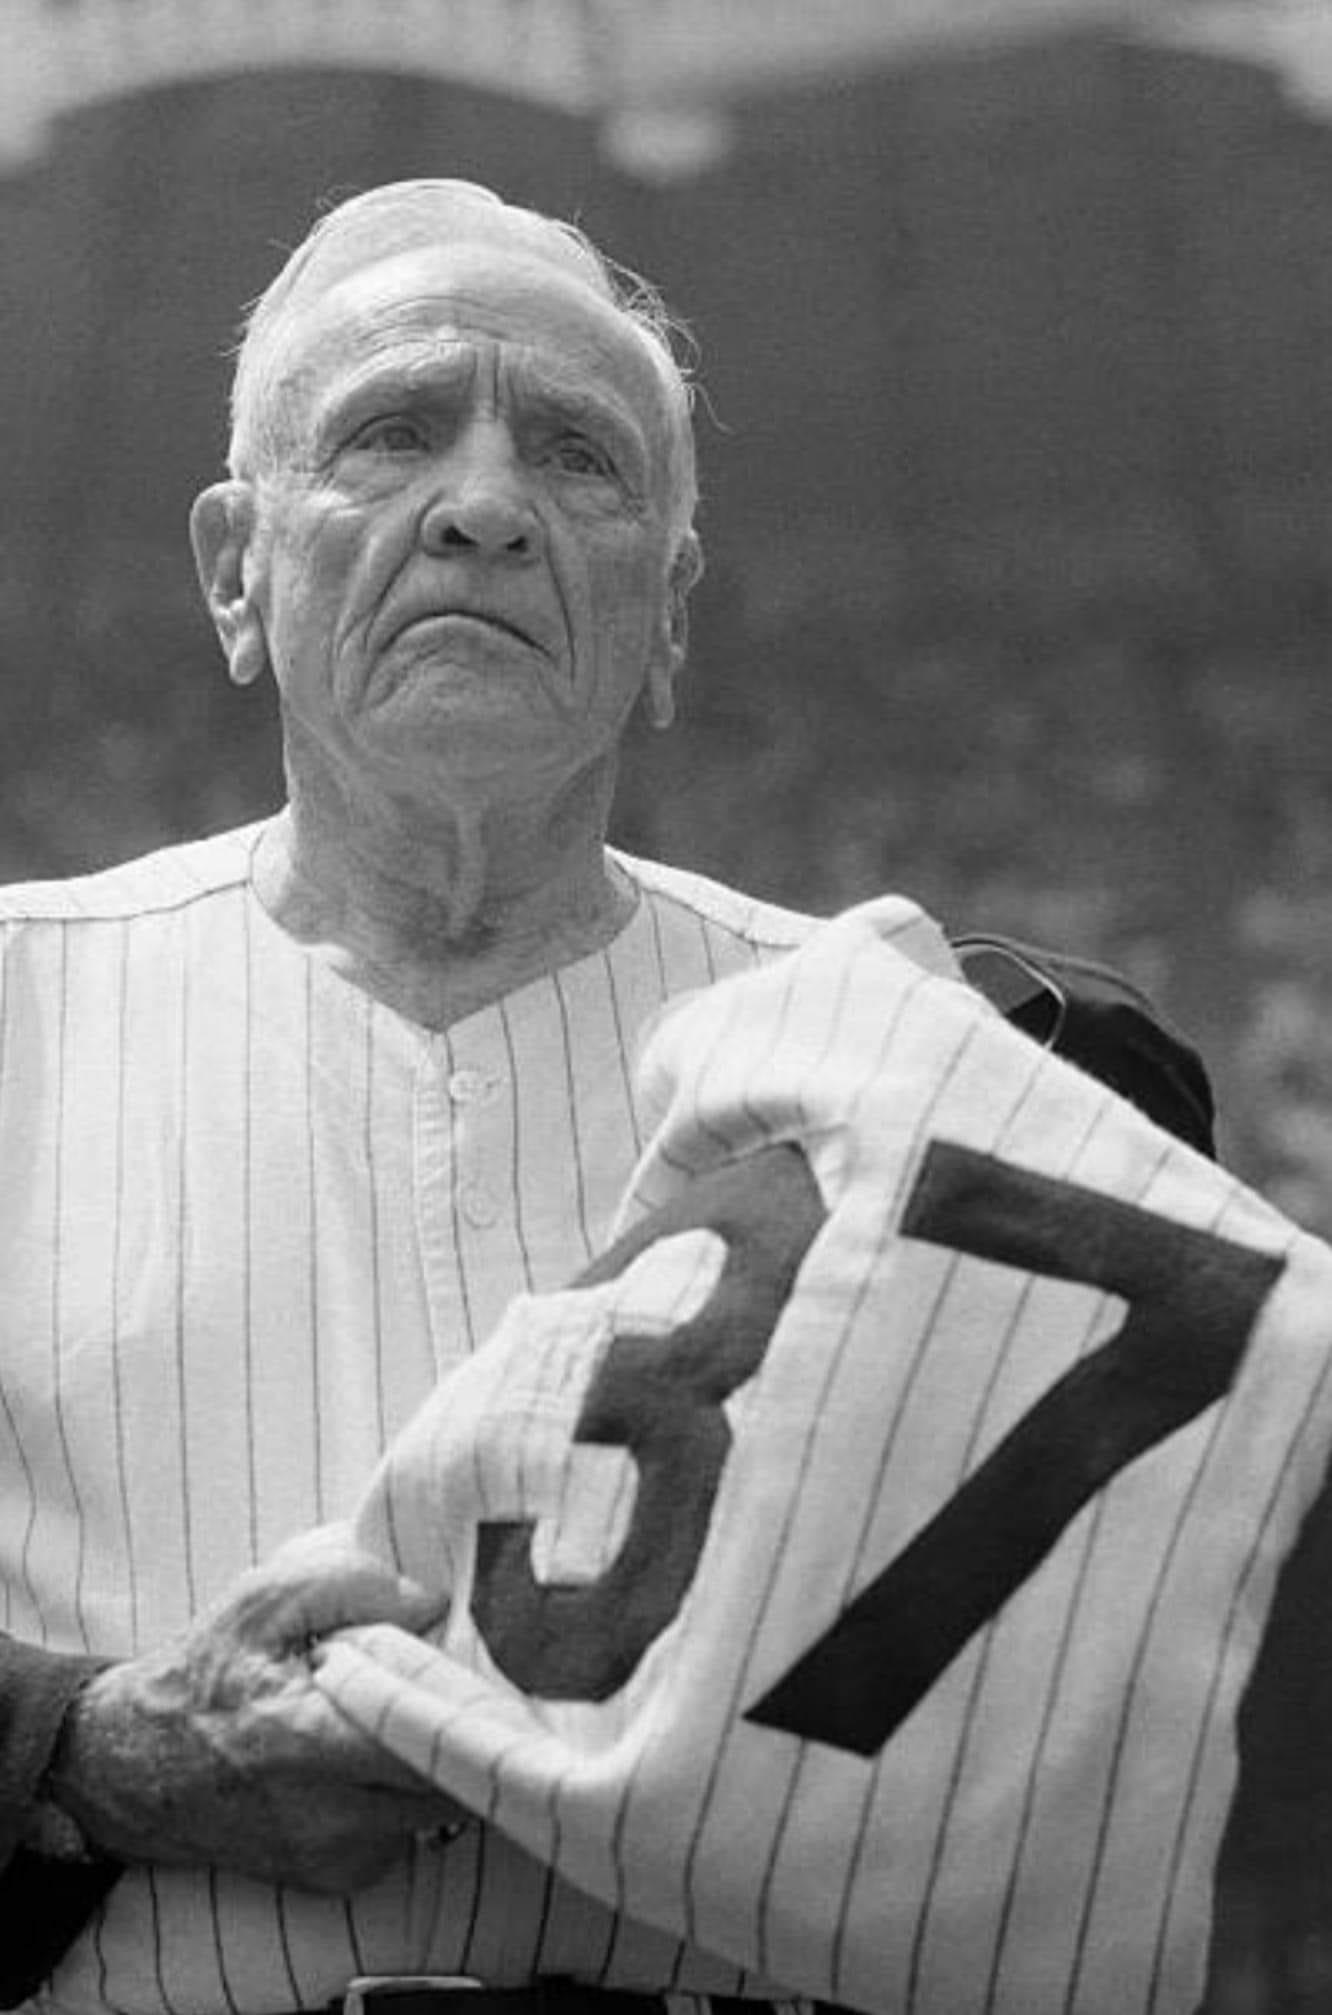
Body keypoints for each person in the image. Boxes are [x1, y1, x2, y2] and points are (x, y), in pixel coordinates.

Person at [0, 179, 1213, 2014]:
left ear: (666, 612)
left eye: (575, 457)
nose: (481, 505)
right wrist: (89, 1749)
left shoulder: (914, 1053)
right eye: (392, 434)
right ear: (236, 570)